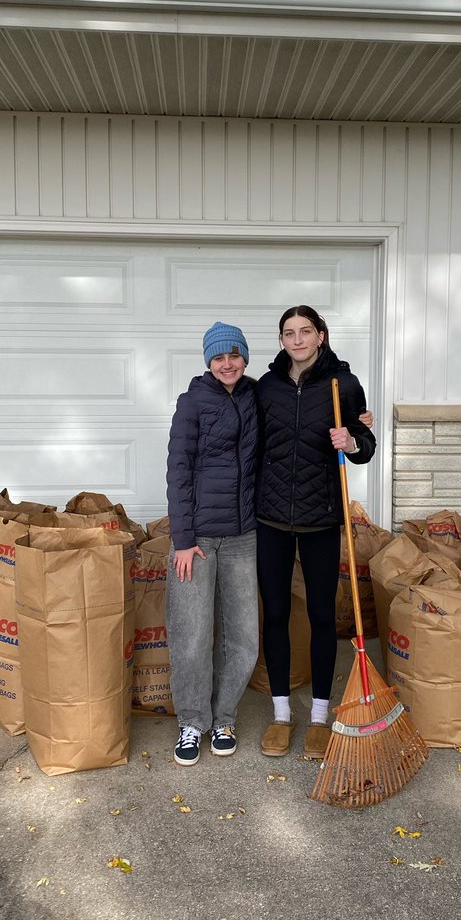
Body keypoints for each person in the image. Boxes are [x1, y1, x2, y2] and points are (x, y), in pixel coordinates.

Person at [255, 305, 376, 759]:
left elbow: (365, 446)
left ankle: (320, 717)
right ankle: (281, 715)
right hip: (271, 518)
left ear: (321, 335)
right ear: (281, 340)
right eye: (289, 333)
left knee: (323, 615)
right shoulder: (267, 387)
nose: (298, 339)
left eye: (306, 331)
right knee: (276, 614)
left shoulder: (343, 384)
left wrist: (353, 441)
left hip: (322, 517)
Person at [165, 322, 259, 766]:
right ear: (208, 361)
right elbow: (178, 471)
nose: (227, 364)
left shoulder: (256, 395)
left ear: (244, 357)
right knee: (192, 635)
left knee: (244, 637)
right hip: (197, 541)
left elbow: (301, 395)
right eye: (218, 357)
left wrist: (356, 420)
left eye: (234, 355)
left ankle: (224, 718)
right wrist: (182, 540)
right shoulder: (192, 402)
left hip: (243, 537)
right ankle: (192, 722)